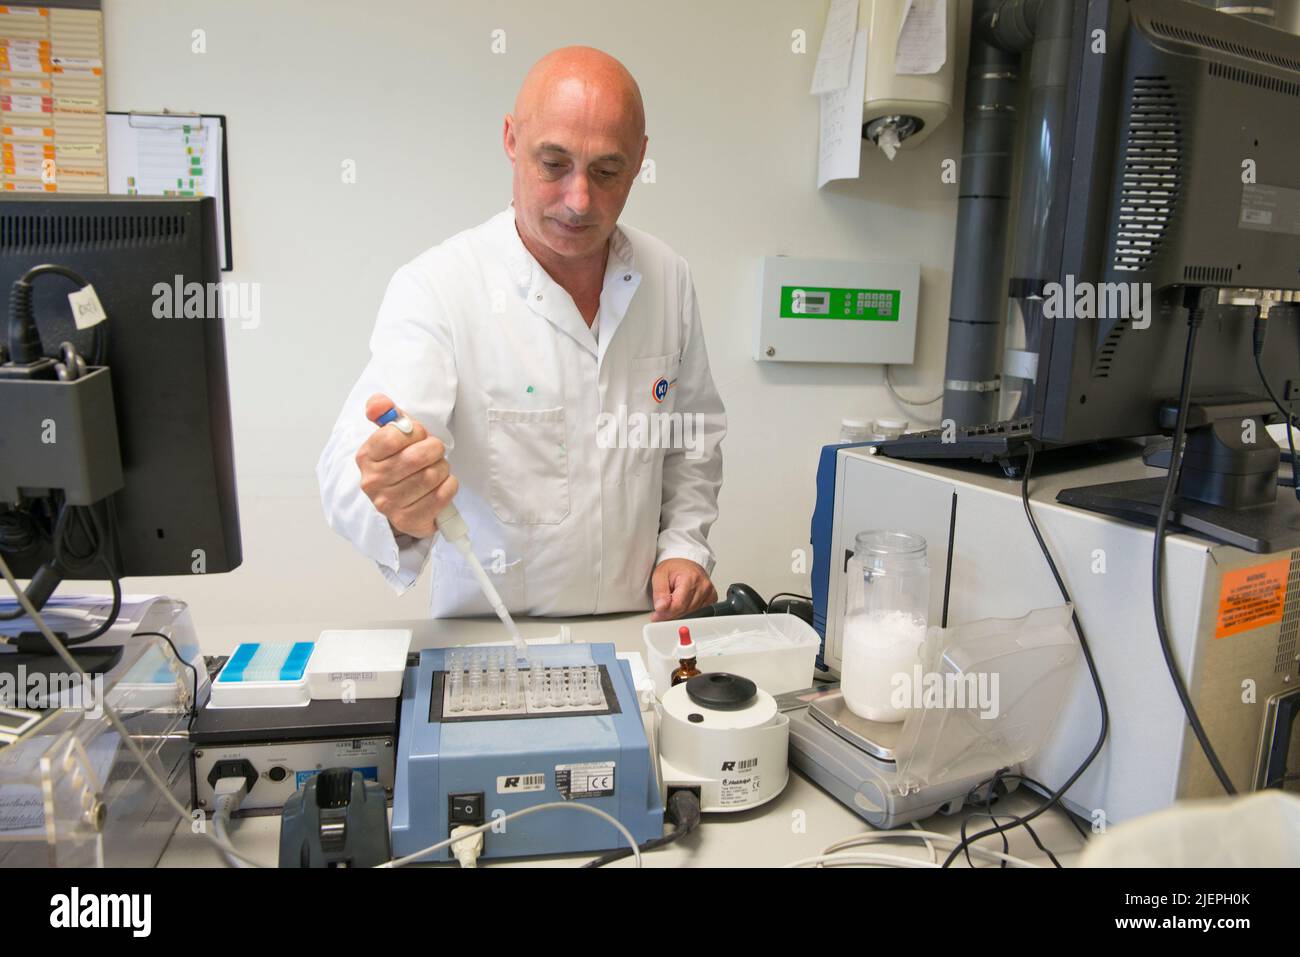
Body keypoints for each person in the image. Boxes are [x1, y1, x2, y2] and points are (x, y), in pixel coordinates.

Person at [316, 46, 726, 622]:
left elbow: (692, 437)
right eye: (553, 164)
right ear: (511, 139)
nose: (579, 201)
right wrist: (394, 500)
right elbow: (345, 470)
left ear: (640, 161)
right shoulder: (440, 287)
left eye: (607, 171)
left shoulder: (668, 277)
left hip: (640, 628)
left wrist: (684, 547)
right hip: (492, 643)